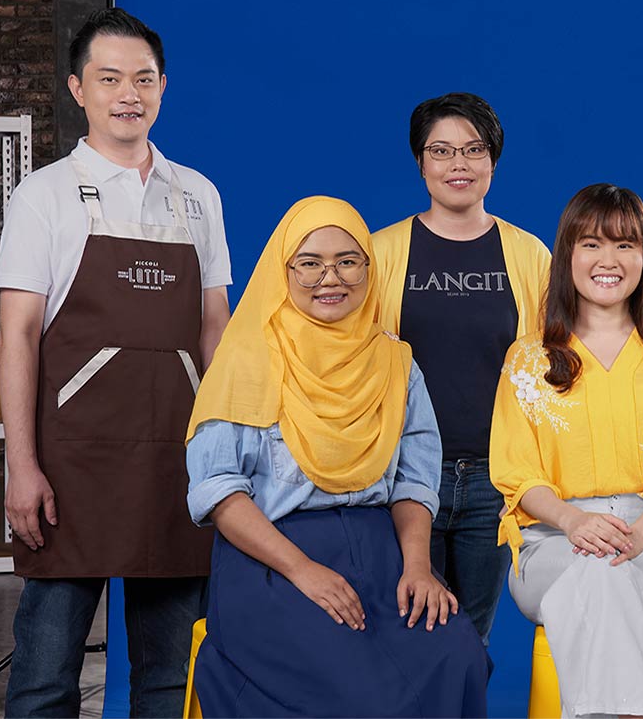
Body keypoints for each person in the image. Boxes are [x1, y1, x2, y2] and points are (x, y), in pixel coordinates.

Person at [0, 7, 232, 717]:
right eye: (109, 78)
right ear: (78, 89)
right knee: (45, 675)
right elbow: (18, 335)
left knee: (168, 674)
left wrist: (223, 450)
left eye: (143, 78)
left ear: (162, 87)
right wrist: (21, 466)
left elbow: (216, 328)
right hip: (71, 463)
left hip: (176, 460)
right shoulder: (44, 194)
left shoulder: (199, 194)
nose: (128, 93)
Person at [184, 196, 487, 717]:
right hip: (271, 559)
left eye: (348, 260)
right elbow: (217, 491)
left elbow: (415, 481)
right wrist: (303, 570)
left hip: (382, 554)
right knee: (352, 685)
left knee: (456, 650)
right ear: (284, 271)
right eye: (310, 262)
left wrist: (418, 567)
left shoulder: (395, 363)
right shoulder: (246, 360)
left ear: (369, 268)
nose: (331, 278)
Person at [492, 183, 643, 719]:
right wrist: (573, 523)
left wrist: (637, 534)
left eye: (625, 245)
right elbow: (518, 473)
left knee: (606, 576)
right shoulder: (528, 359)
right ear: (567, 253)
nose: (608, 261)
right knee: (597, 573)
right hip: (551, 546)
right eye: (591, 244)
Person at [372, 92, 551, 645]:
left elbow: (551, 375)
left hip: (493, 482)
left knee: (471, 645)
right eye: (441, 151)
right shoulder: (380, 254)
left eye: (473, 150)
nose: (458, 165)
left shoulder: (529, 255)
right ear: (420, 163)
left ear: (492, 162)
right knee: (402, 640)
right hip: (403, 478)